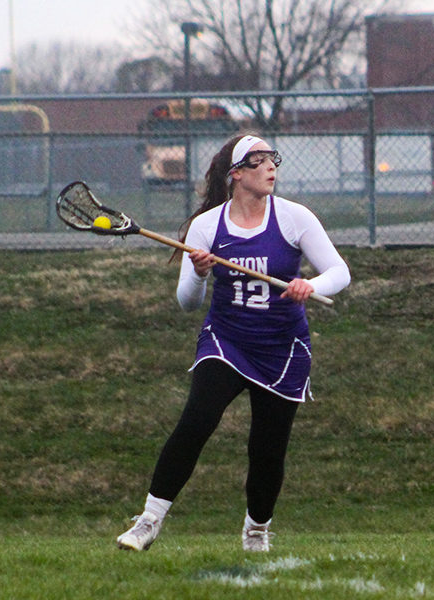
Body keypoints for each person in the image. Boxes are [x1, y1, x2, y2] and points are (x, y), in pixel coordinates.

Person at [116, 133, 351, 552]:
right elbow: (187, 303)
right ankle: (149, 520)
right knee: (197, 420)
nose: (270, 167)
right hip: (227, 342)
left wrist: (308, 284)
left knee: (267, 449)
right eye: (258, 161)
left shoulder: (294, 217)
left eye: (271, 159)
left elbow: (339, 272)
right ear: (236, 174)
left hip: (282, 348)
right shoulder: (207, 227)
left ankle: (256, 530)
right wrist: (200, 273)